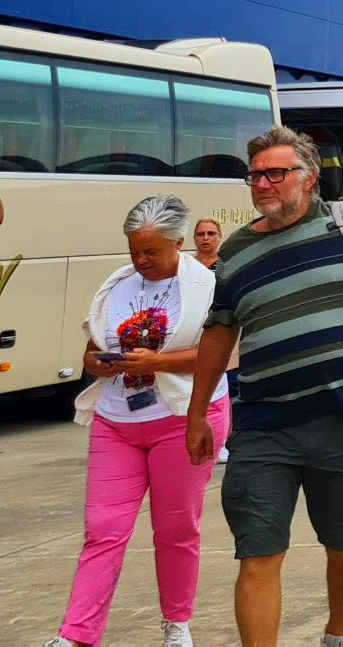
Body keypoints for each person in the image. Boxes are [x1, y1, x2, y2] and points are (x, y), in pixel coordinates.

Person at [185, 127, 343, 647]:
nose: (263, 183)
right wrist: (195, 413)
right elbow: (218, 334)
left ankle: (336, 631)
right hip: (263, 427)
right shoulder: (236, 251)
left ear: (310, 178)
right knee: (257, 552)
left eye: (277, 173)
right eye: (256, 175)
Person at [49, 195, 229, 647]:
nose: (141, 260)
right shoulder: (115, 287)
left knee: (175, 528)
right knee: (103, 530)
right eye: (134, 251)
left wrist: (159, 361)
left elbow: (221, 355)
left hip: (183, 416)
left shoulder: (207, 286)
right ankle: (76, 635)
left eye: (151, 251)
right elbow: (88, 354)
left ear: (178, 242)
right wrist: (100, 362)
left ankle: (176, 623)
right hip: (116, 421)